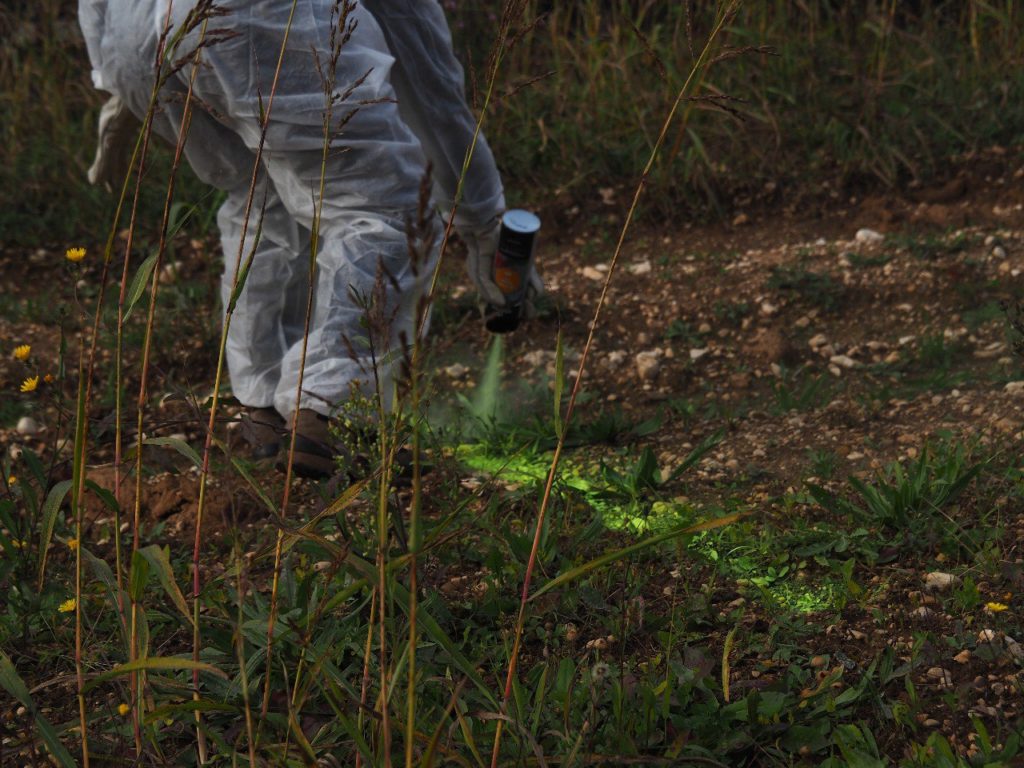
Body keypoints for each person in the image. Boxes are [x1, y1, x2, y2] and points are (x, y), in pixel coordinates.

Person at [79, 0, 542, 478]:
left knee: (262, 193)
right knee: (386, 205)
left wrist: (113, 76)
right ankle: (334, 415)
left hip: (129, 36)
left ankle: (262, 409)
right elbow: (430, 88)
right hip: (254, 18)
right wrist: (485, 222)